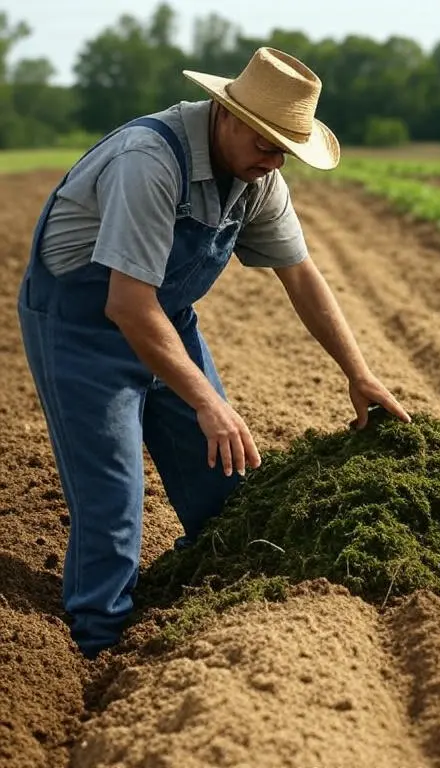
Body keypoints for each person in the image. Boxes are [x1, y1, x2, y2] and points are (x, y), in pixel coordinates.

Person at [16, 47, 411, 659]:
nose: (273, 161)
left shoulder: (258, 177)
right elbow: (127, 305)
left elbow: (301, 276)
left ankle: (183, 598)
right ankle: (98, 644)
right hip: (83, 331)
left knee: (224, 489)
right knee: (114, 505)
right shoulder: (149, 161)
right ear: (227, 115)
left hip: (166, 320)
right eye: (265, 144)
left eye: (284, 151)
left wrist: (358, 373)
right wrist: (208, 401)